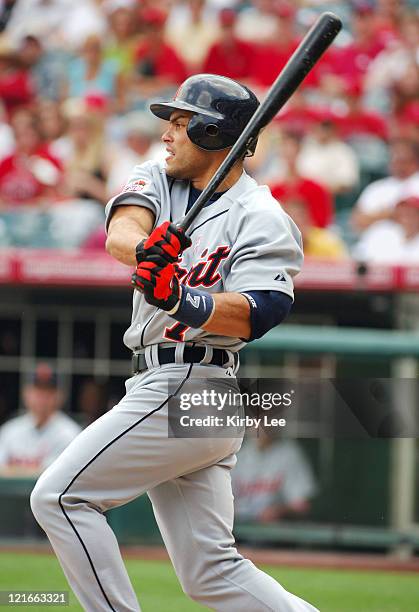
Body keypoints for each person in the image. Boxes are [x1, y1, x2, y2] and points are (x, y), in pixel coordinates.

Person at [30, 74, 319, 612]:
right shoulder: (163, 179)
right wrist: (147, 251)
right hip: (170, 384)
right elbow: (122, 232)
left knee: (61, 497)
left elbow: (260, 312)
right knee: (211, 572)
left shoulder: (262, 216)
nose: (167, 134)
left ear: (214, 135)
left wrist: (184, 299)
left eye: (183, 124)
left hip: (193, 382)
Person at [0, 363, 81, 477]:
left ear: (59, 396)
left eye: (48, 391)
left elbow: (55, 476)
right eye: (37, 390)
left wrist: (15, 471)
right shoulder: (10, 430)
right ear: (26, 394)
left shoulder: (70, 433)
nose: (42, 397)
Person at [232, 429, 317, 523]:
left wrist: (280, 511)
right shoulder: (238, 451)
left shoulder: (290, 452)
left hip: (277, 532)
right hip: (240, 531)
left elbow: (303, 506)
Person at [351, 139, 419, 232]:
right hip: (372, 241)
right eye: (394, 159)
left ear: (415, 161)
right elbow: (357, 221)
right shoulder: (377, 187)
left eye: (402, 160)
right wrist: (388, 215)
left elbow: (410, 217)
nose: (397, 164)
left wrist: (375, 216)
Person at [353, 194, 419, 263]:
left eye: (412, 212)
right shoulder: (381, 231)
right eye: (403, 212)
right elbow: (359, 258)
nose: (406, 216)